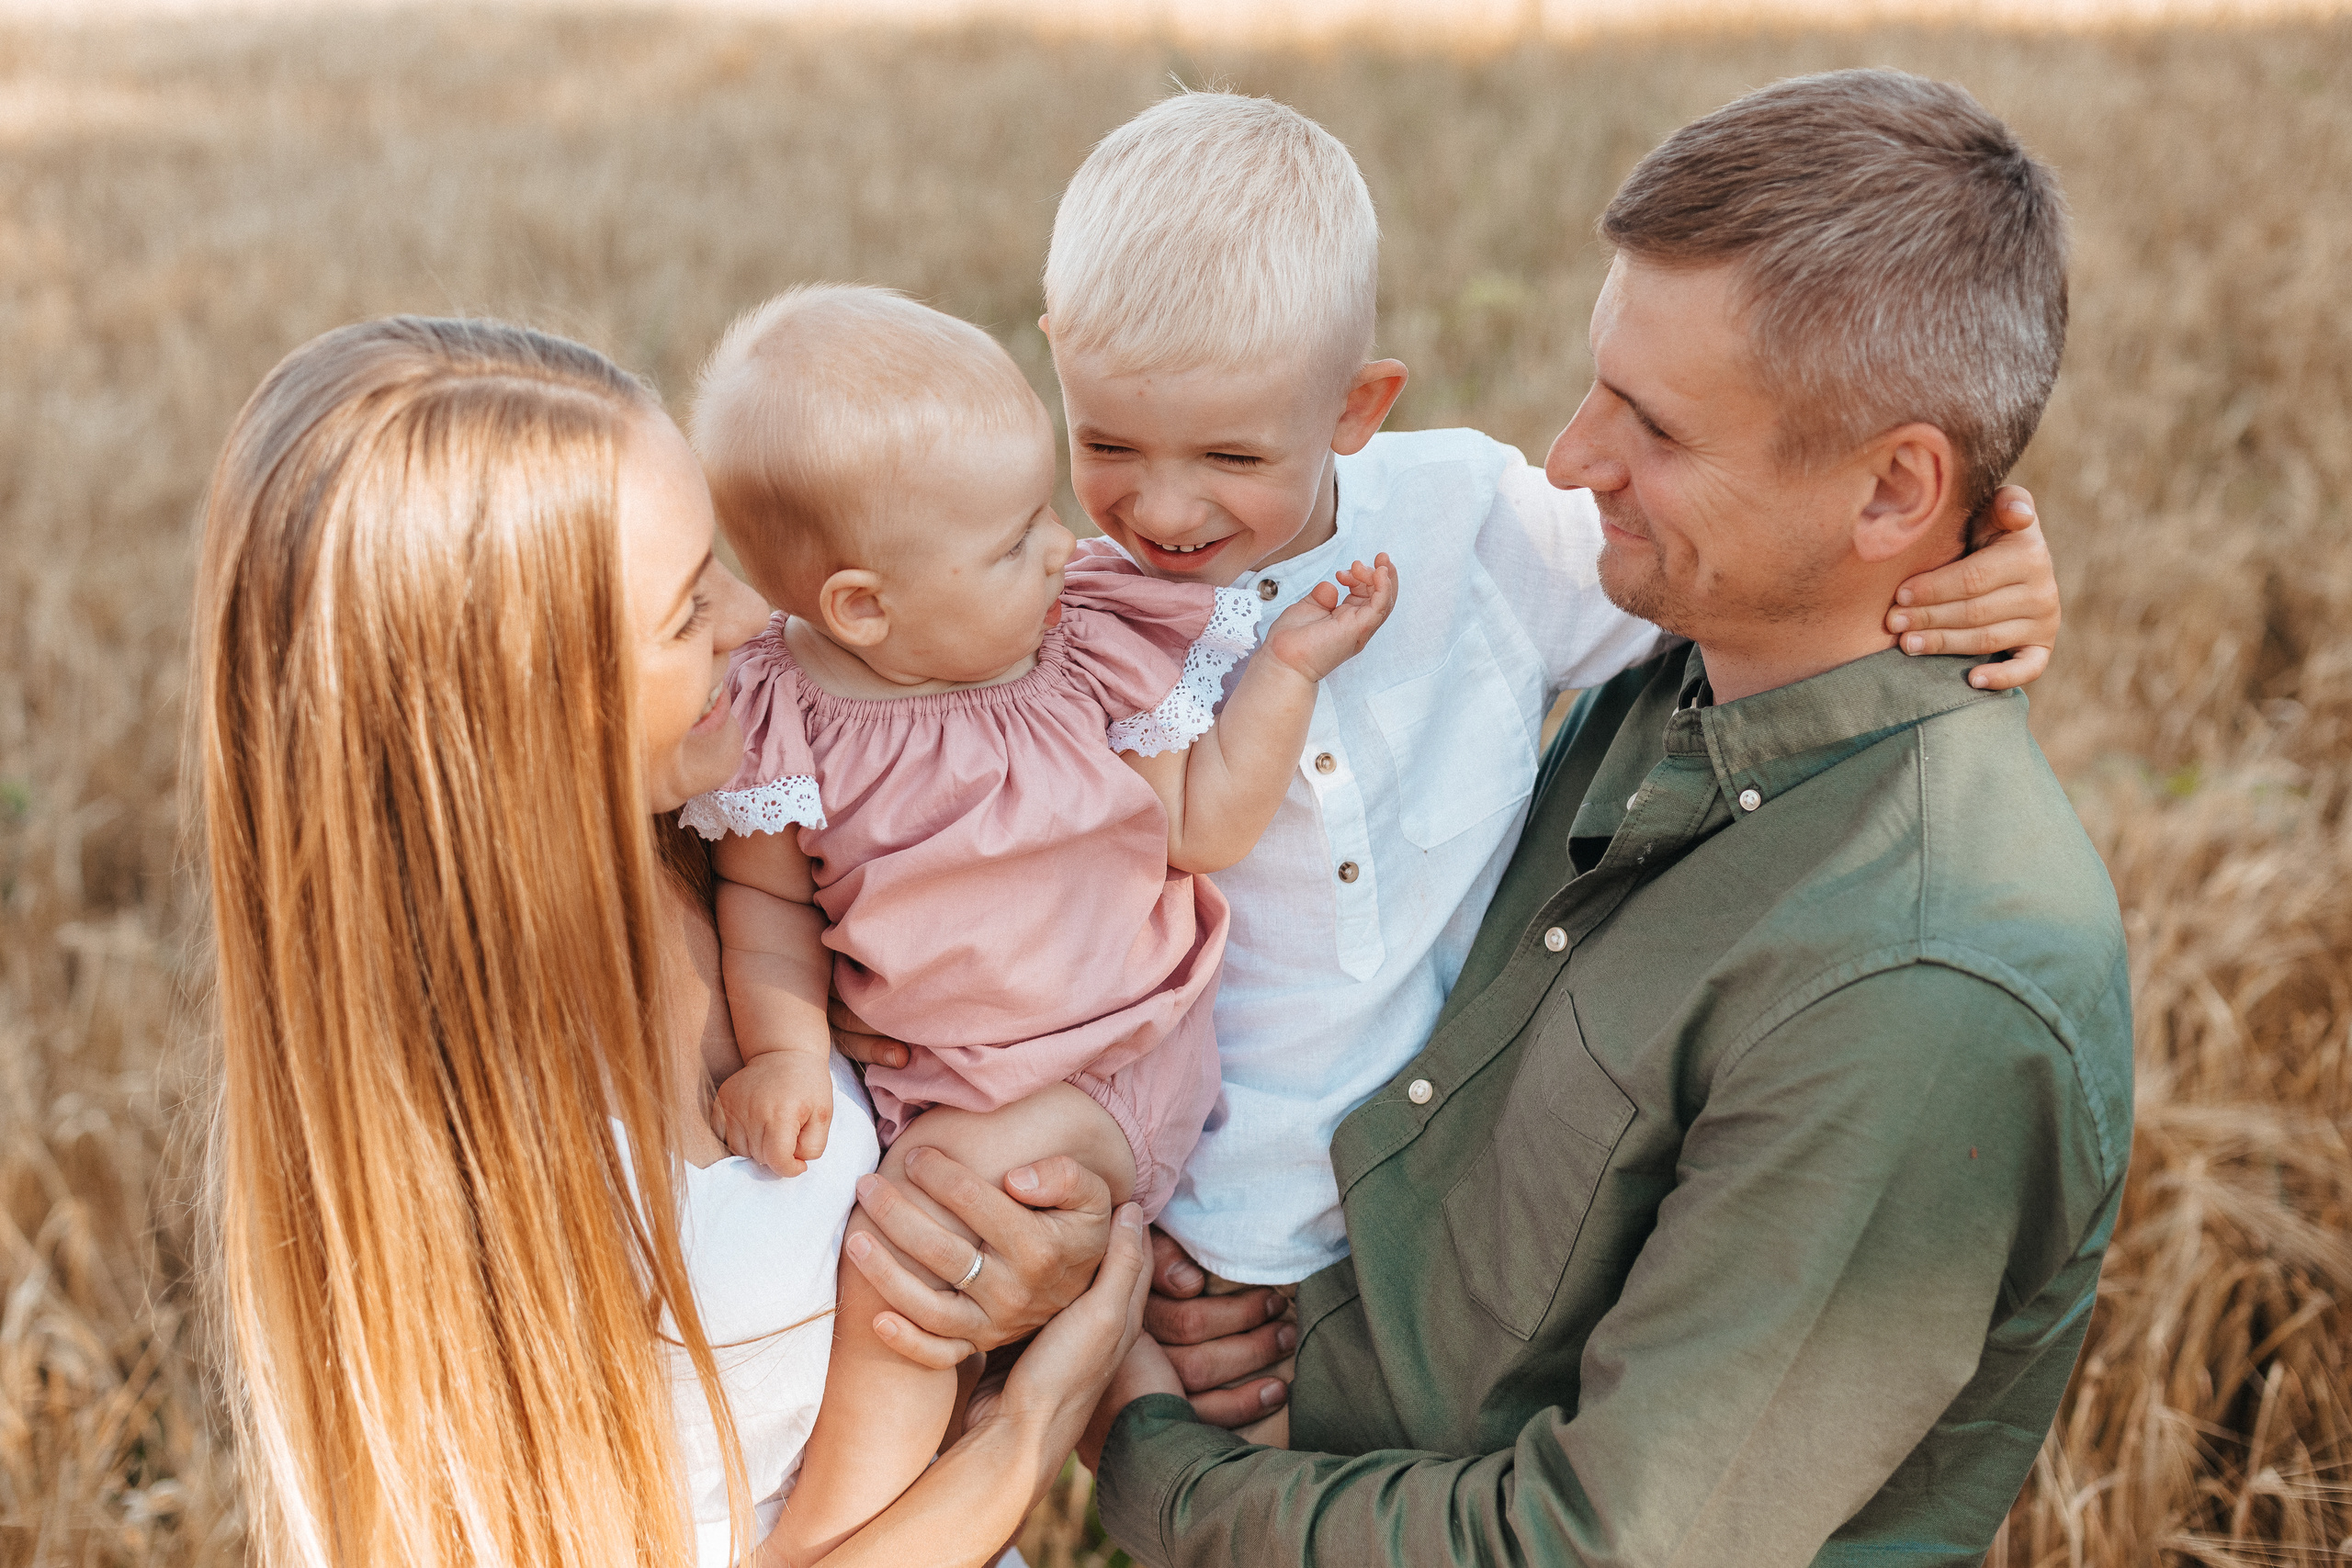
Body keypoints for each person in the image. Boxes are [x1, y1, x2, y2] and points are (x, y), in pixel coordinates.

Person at [1085, 69, 2134, 1566]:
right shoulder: (1686, 652)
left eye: (1650, 423)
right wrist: (1268, 1303)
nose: (1571, 459)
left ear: (1896, 490)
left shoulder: (1916, 980)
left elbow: (1587, 1549)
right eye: (1595, 384)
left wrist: (1150, 1456)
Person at [195, 315, 1151, 1568]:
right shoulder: (441, 1146)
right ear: (516, 703)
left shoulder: (749, 848)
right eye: (684, 606)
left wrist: (1043, 1262)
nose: (756, 618)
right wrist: (1018, 1442)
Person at [672, 284, 1396, 1560]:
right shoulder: (786, 721)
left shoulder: (1088, 652)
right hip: (931, 1088)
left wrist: (1280, 675)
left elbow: (1203, 827)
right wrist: (786, 1052)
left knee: (910, 1260)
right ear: (860, 607)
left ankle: (829, 1540)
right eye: (1014, 542)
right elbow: (768, 911)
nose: (1068, 546)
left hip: (1106, 1068)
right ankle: (888, 1526)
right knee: (910, 1240)